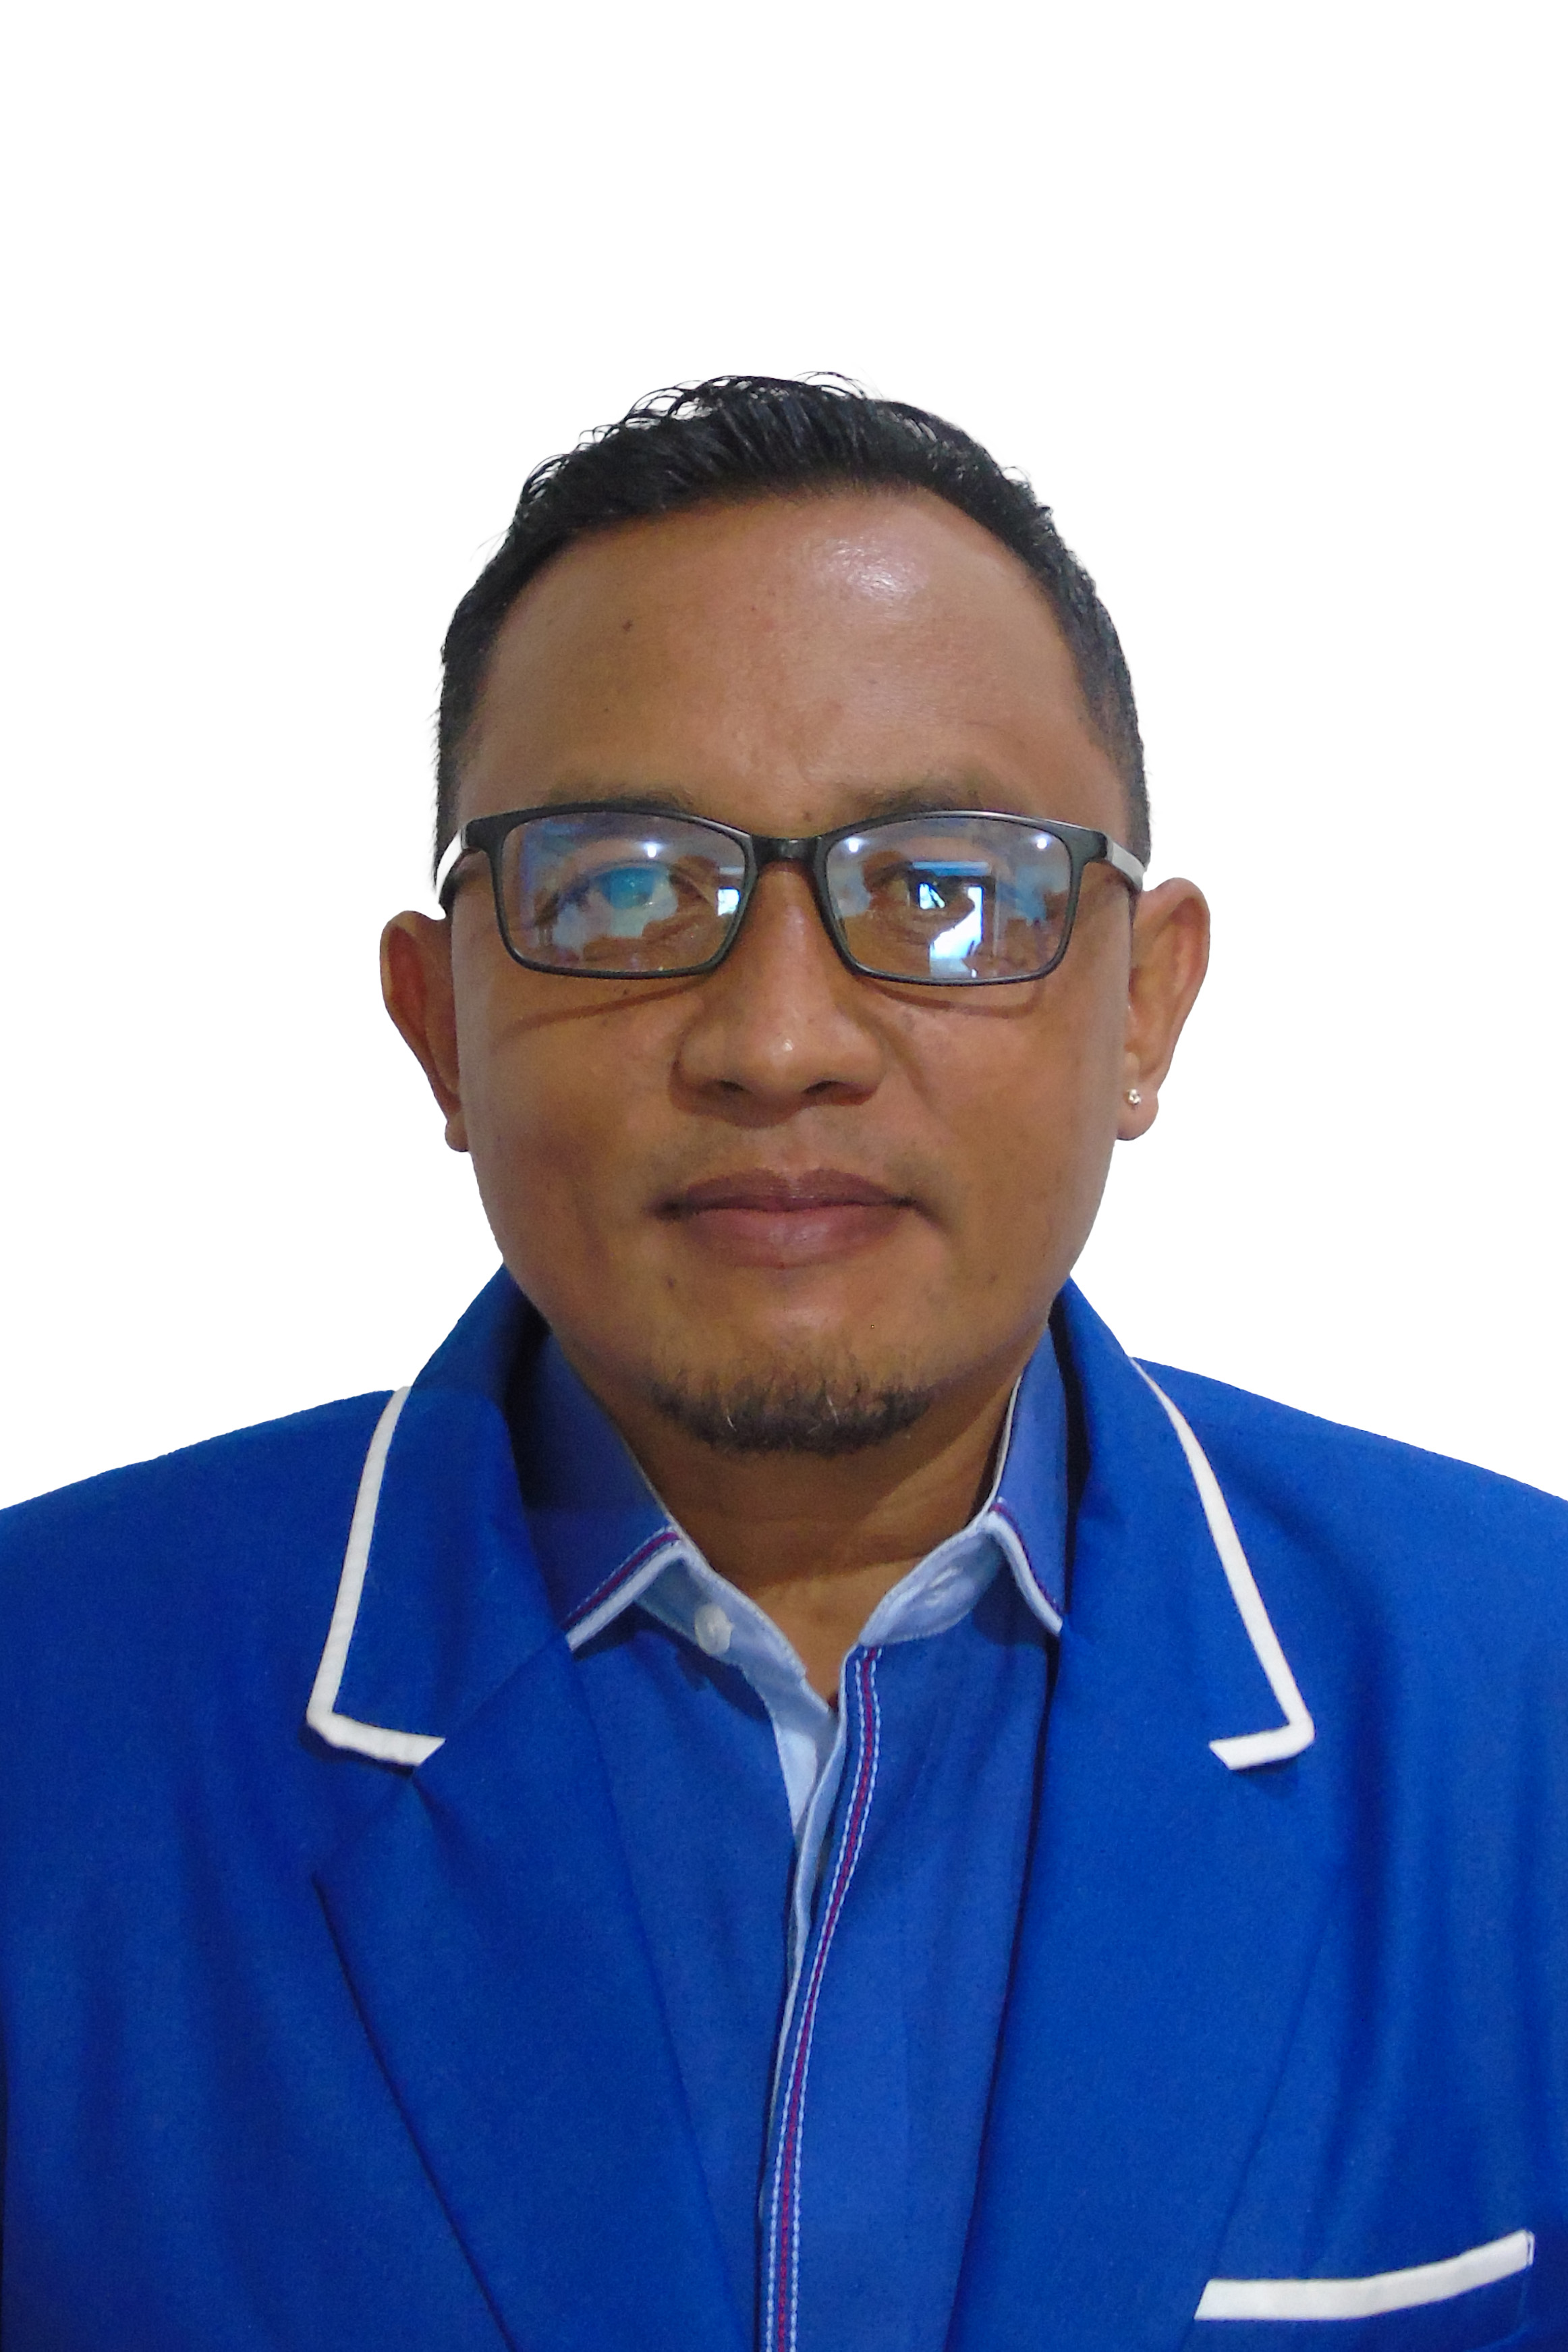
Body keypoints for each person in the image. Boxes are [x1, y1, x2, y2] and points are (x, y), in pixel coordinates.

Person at [1, 376, 1565, 2352]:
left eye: (945, 890)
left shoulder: (1525, 1704)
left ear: (1146, 1006)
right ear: (436, 1025)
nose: (778, 1041)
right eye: (621, 890)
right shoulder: (38, 1712)